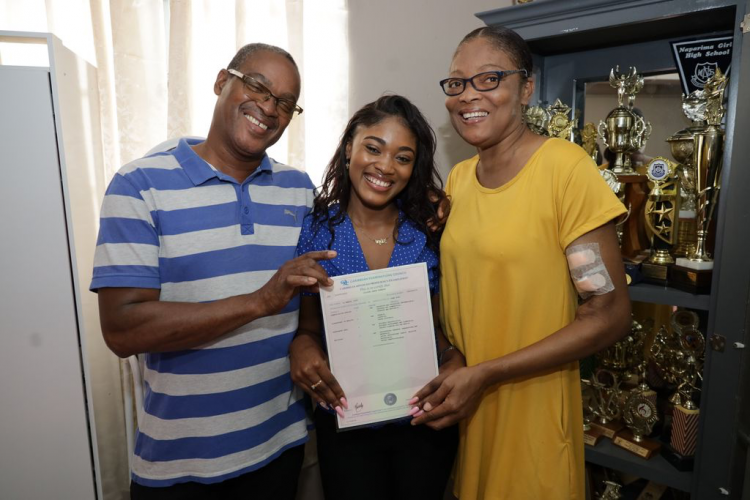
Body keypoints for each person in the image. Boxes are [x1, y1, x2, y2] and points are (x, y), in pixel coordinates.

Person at [90, 43, 336, 499]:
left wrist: (429, 209)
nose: (268, 107)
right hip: (181, 464)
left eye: (285, 103)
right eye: (258, 86)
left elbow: (339, 259)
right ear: (223, 81)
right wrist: (260, 301)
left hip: (280, 448)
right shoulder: (138, 185)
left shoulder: (297, 189)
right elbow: (121, 330)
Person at [411, 26, 632, 500]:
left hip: (531, 419)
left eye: (489, 79)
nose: (468, 95)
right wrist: (454, 356)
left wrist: (487, 373)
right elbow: (464, 292)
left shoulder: (565, 170)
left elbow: (608, 314)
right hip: (468, 418)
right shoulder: (459, 179)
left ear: (526, 87)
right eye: (457, 83)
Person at [288, 95, 463, 500]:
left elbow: (435, 329)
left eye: (402, 157)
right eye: (373, 148)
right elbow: (309, 327)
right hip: (347, 418)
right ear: (350, 146)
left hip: (424, 420)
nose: (385, 166)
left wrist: (453, 357)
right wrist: (301, 344)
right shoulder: (316, 230)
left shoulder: (430, 231)